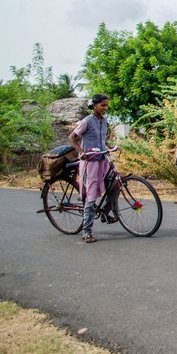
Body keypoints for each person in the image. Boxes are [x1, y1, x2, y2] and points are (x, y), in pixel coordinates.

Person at [69, 93, 114, 243]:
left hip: (102, 159)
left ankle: (106, 212)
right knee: (91, 194)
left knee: (114, 183)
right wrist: (81, 153)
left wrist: (110, 147)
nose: (105, 108)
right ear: (94, 106)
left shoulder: (104, 120)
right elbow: (72, 137)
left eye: (106, 105)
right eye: (103, 105)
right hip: (91, 162)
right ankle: (86, 231)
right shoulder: (86, 121)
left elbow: (102, 138)